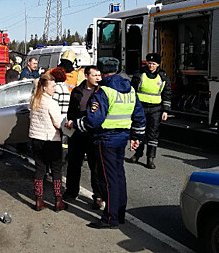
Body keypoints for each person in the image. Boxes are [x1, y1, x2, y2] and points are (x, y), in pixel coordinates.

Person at [73, 57, 146, 229]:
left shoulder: (103, 92)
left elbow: (94, 120)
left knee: (108, 179)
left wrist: (76, 124)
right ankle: (120, 214)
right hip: (121, 138)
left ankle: (110, 218)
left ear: (102, 72)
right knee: (119, 177)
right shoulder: (130, 90)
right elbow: (139, 116)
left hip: (105, 139)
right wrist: (136, 137)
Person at [64, 66, 104, 209]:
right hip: (78, 134)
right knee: (74, 164)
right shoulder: (77, 91)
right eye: (95, 75)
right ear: (87, 76)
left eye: (99, 75)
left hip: (93, 134)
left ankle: (98, 196)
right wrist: (71, 123)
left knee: (96, 167)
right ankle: (71, 192)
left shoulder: (101, 92)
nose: (98, 78)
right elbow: (71, 112)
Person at [29, 73, 68, 212]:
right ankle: (58, 199)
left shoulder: (34, 100)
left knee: (39, 169)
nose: (55, 88)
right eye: (52, 86)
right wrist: (67, 124)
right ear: (44, 88)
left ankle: (39, 200)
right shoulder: (51, 103)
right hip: (50, 140)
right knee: (56, 170)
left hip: (35, 138)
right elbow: (58, 124)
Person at [128, 53, 170, 169]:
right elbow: (132, 90)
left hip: (156, 109)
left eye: (154, 64)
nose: (151, 65)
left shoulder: (163, 76)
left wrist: (165, 110)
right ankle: (137, 153)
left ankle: (150, 158)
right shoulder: (139, 74)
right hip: (140, 108)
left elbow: (166, 93)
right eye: (149, 63)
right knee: (139, 131)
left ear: (158, 65)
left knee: (153, 134)